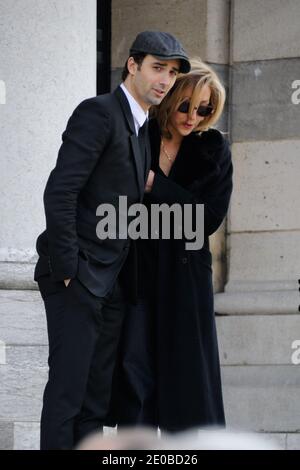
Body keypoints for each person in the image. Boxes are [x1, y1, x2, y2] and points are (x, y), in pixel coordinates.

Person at [34, 30, 191, 450]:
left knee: (94, 403)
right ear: (133, 65)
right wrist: (70, 273)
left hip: (111, 285)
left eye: (172, 73)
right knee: (67, 396)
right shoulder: (99, 112)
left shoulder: (141, 129)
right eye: (158, 68)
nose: (165, 80)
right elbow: (61, 192)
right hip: (79, 278)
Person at [107, 58, 233, 433]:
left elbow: (208, 219)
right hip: (137, 276)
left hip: (185, 282)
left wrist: (155, 187)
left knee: (189, 388)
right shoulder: (138, 137)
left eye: (204, 108)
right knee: (135, 378)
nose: (193, 116)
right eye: (185, 106)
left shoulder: (213, 149)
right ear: (170, 97)